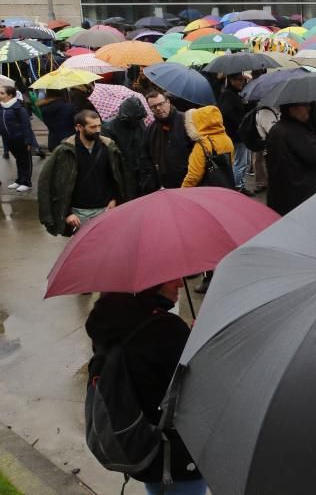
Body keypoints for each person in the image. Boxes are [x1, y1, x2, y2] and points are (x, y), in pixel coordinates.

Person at [85, 283, 207, 495]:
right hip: (177, 458)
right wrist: (199, 341)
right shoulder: (166, 329)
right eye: (171, 276)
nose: (179, 282)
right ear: (151, 285)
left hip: (144, 444)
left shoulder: (111, 321)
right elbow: (199, 389)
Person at [37, 110, 127, 236]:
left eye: (99, 126)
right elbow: (49, 183)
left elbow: (118, 176)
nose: (97, 130)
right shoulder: (64, 151)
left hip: (106, 209)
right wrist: (66, 214)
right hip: (79, 213)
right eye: (93, 127)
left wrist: (115, 199)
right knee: (85, 251)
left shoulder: (109, 147)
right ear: (79, 127)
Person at [265, 103, 316, 215]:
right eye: (304, 105)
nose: (308, 108)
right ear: (292, 109)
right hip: (300, 196)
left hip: (282, 196)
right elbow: (315, 156)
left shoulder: (277, 128)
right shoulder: (294, 131)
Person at [139, 91, 193, 194]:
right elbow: (145, 158)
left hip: (188, 182)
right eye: (153, 107)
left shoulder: (185, 120)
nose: (158, 109)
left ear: (168, 102)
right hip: (164, 186)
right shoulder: (150, 130)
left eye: (160, 104)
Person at [101, 96, 147, 200]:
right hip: (123, 173)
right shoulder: (109, 128)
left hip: (141, 170)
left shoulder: (139, 123)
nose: (138, 120)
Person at [180, 105, 234, 188]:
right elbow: (231, 162)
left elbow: (194, 176)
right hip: (226, 186)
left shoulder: (203, 145)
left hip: (207, 190)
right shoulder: (227, 139)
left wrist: (183, 190)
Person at [216, 73, 252, 195]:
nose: (242, 82)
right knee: (240, 163)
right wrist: (241, 119)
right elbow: (227, 113)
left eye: (243, 80)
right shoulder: (228, 95)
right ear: (231, 80)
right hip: (235, 135)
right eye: (239, 80)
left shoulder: (233, 94)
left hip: (238, 135)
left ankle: (240, 185)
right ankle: (237, 188)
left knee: (244, 162)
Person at [0, 85, 33, 191]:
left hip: (20, 139)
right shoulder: (2, 108)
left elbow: (26, 126)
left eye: (2, 93)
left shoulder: (19, 109)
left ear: (10, 95)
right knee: (18, 160)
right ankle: (19, 180)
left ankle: (26, 182)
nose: (0, 95)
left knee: (25, 160)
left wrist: (28, 141)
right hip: (9, 139)